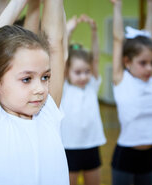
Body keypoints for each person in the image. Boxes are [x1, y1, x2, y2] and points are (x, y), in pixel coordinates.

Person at [0, 0, 69, 184]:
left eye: (45, 77)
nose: (40, 88)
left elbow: (54, 42)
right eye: (26, 79)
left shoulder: (48, 112)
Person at [110, 0, 152, 184]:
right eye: (143, 63)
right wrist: (117, 7)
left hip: (148, 158)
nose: (149, 68)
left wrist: (151, 6)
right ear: (127, 62)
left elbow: (150, 36)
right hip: (125, 158)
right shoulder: (121, 79)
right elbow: (118, 39)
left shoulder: (148, 81)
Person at [60, 14, 106, 185]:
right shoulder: (64, 88)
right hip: (69, 146)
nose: (84, 76)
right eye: (78, 72)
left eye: (86, 71)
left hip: (91, 145)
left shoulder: (92, 86)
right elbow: (62, 58)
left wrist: (94, 31)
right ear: (67, 72)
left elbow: (95, 58)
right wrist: (68, 32)